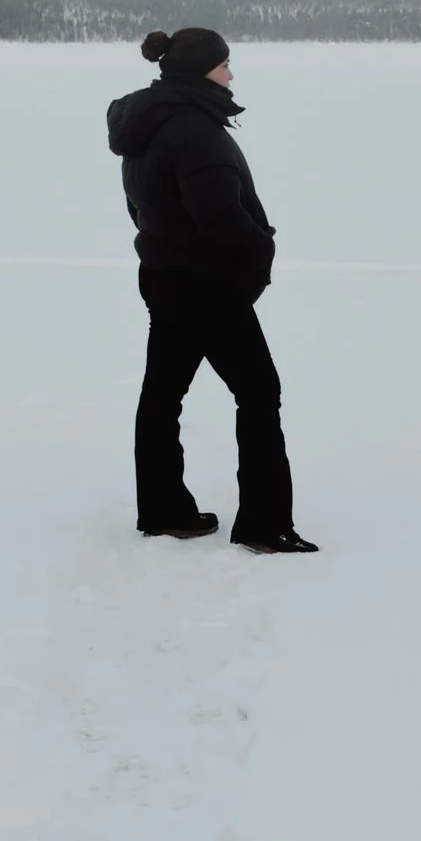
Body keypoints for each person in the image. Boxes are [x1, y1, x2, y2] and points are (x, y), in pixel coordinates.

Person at [105, 27, 317, 552]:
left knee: (163, 394)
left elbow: (143, 204)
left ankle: (163, 510)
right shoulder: (194, 130)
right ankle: (266, 526)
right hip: (206, 286)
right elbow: (220, 219)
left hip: (164, 277)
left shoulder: (148, 121)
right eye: (224, 66)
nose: (231, 74)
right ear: (202, 71)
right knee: (259, 392)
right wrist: (259, 252)